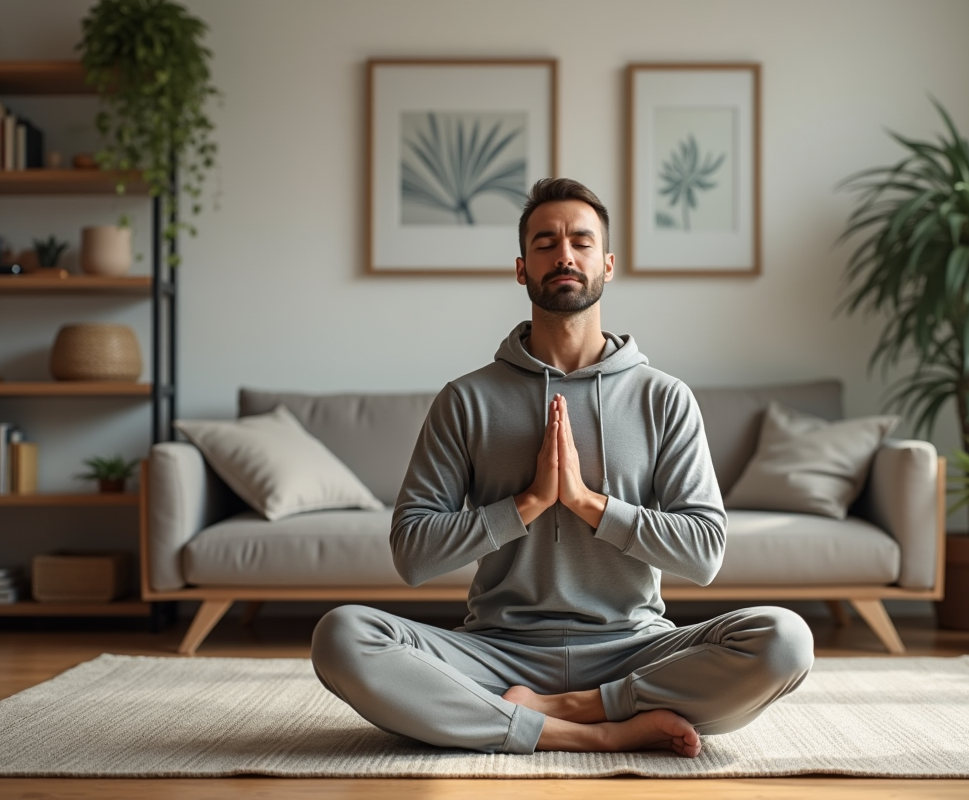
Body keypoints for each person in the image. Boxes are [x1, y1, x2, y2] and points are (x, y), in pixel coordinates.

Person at [311, 178, 814, 757]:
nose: (565, 254)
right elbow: (413, 554)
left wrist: (584, 502)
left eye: (580, 239)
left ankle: (561, 710)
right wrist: (527, 503)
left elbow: (704, 553)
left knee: (785, 641)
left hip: (634, 649)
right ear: (522, 268)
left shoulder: (664, 398)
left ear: (607, 262)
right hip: (497, 651)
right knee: (343, 636)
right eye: (546, 243)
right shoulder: (466, 399)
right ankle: (594, 733)